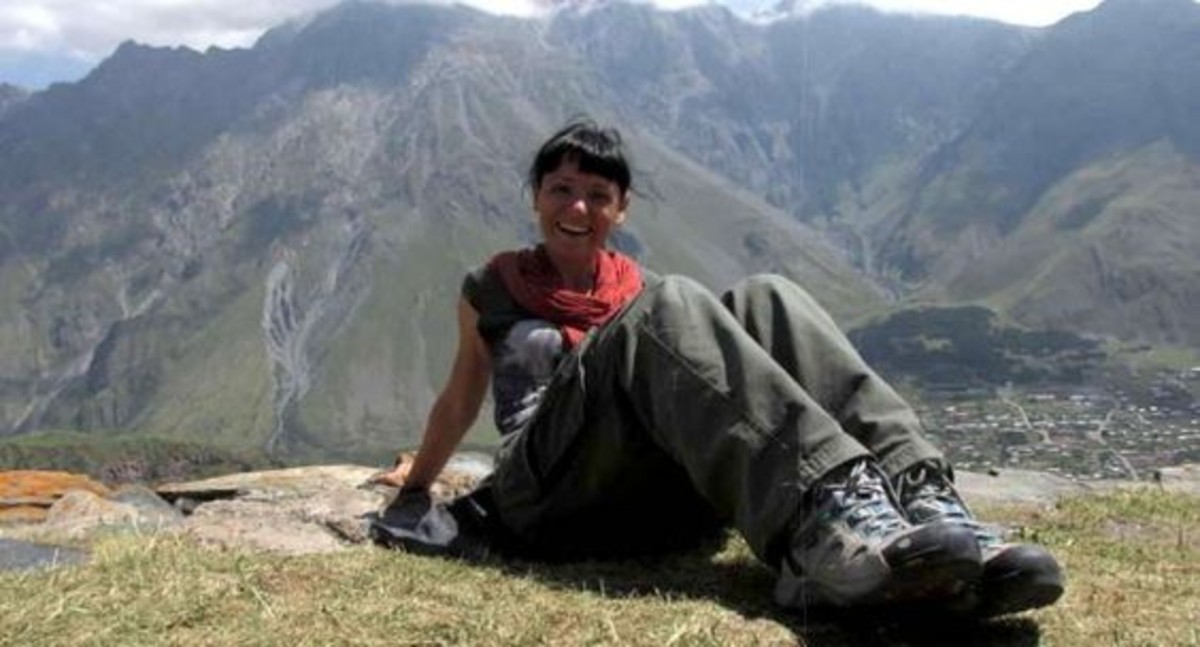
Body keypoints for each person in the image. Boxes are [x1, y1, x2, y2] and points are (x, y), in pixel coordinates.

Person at [370, 119, 1064, 617]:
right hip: (545, 495)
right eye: (561, 188)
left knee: (768, 295)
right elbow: (461, 395)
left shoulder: (637, 290)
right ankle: (822, 533)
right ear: (535, 197)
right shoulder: (492, 287)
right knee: (671, 303)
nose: (577, 207)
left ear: (621, 210)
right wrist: (419, 483)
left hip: (652, 498)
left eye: (598, 194)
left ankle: (924, 504)